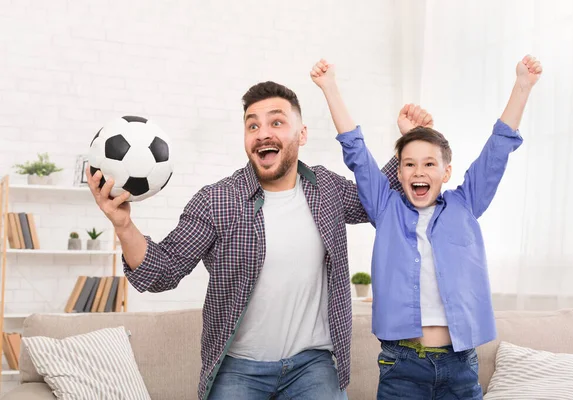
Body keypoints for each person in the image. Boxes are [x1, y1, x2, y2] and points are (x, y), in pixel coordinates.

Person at [86, 81, 433, 399]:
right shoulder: (216, 200)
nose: (262, 133)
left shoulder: (325, 188)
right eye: (253, 125)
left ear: (302, 134)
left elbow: (376, 199)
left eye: (276, 122)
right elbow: (163, 271)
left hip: (314, 366)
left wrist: (410, 142)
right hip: (239, 369)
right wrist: (123, 224)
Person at [310, 55, 542, 399]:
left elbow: (497, 151)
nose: (419, 171)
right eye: (409, 164)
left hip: (460, 365)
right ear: (399, 173)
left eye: (429, 163)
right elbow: (356, 151)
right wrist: (329, 87)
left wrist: (522, 86)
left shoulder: (466, 205)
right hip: (401, 364)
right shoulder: (386, 208)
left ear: (445, 172)